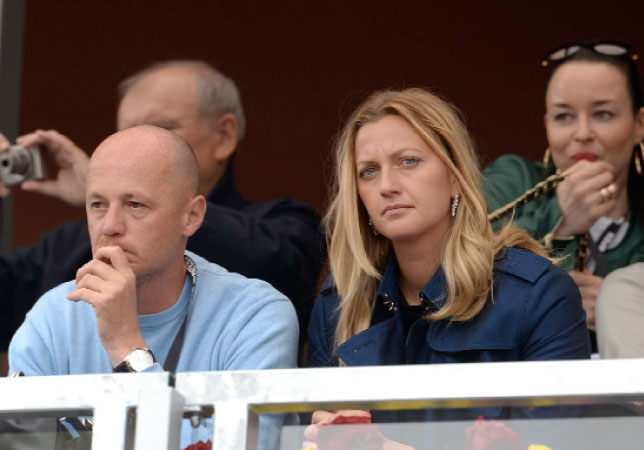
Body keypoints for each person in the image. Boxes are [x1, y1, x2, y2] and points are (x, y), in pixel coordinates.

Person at [304, 88, 589, 447]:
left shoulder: (539, 294)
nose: (387, 186)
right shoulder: (337, 305)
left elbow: (559, 443)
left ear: (455, 177)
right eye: (369, 172)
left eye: (408, 161)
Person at [0, 61, 324, 360]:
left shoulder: (283, 226)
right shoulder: (69, 247)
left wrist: (103, 184)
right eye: (97, 204)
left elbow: (279, 263)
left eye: (161, 128)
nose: (111, 226)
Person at [8, 125, 298, 450]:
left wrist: (126, 348)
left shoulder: (255, 316)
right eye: (97, 205)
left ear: (192, 215)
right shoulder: (53, 316)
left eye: (135, 205)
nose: (110, 227)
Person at [481, 40, 644, 356]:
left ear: (640, 125)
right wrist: (561, 220)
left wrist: (623, 307)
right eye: (563, 116)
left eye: (603, 114)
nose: (582, 132)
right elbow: (454, 257)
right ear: (547, 125)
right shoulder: (513, 181)